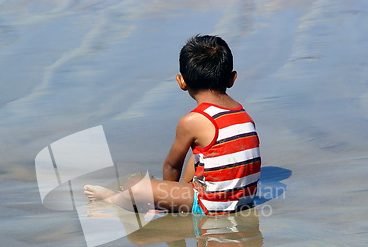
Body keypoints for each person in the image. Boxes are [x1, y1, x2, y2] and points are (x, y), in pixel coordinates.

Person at [84, 35, 261, 215]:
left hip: (211, 204)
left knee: (136, 186)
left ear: (181, 81)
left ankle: (113, 199)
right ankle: (181, 194)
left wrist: (168, 198)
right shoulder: (243, 115)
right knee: (200, 154)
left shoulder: (193, 121)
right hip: (244, 201)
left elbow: (172, 166)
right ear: (232, 78)